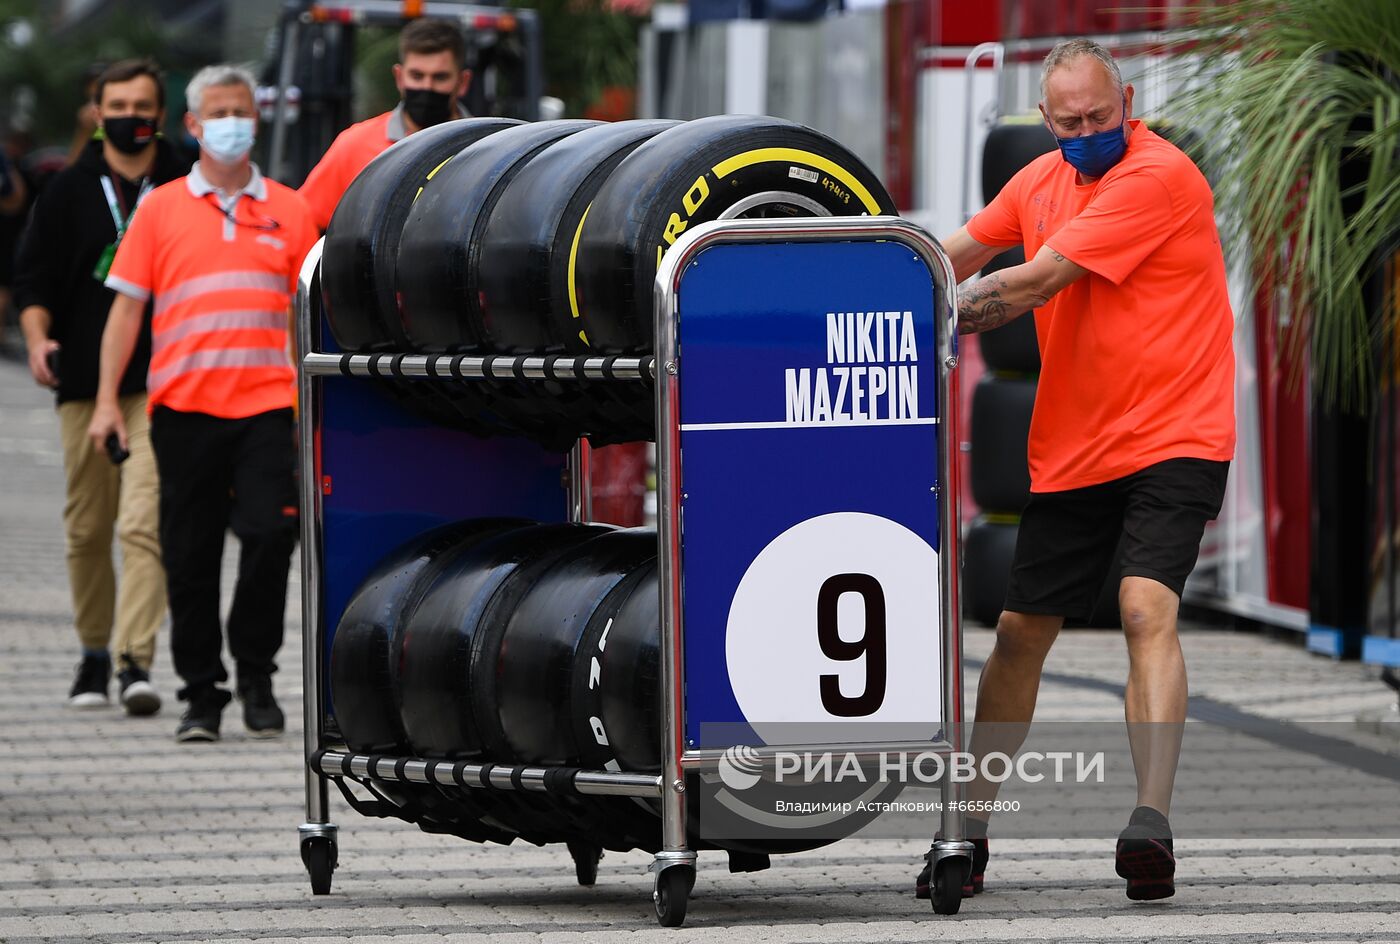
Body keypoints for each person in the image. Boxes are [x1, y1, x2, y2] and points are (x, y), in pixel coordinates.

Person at [917, 38, 1235, 901]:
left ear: (1125, 101)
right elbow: (957, 254)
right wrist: (867, 283)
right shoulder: (1039, 180)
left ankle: (1150, 826)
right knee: (1020, 632)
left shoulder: (1156, 178)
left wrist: (930, 315)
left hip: (1176, 432)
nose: (1089, 130)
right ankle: (969, 834)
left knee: (1143, 608)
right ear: (1047, 122)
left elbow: (1035, 280)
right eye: (1070, 121)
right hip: (1077, 445)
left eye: (1101, 115)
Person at [87, 64, 318, 743]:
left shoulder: (291, 207)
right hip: (184, 411)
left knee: (272, 537)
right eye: (218, 112)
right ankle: (200, 694)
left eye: (241, 110)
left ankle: (254, 671)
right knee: (187, 557)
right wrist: (106, 403)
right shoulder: (159, 208)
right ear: (192, 125)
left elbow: (310, 314)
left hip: (269, 408)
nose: (231, 123)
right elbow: (126, 314)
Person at [14, 58, 190, 715]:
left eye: (143, 107)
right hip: (86, 384)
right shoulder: (67, 189)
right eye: (117, 105)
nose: (130, 118)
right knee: (89, 529)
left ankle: (132, 661)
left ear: (161, 115)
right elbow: (31, 281)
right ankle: (92, 652)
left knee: (144, 524)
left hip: (165, 383)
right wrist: (38, 341)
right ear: (96, 110)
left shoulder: (184, 181)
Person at [298, 17, 472, 230]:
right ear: (399, 77)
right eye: (417, 76)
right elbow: (302, 221)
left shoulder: (486, 148)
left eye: (440, 77)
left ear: (462, 82)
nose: (427, 87)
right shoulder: (355, 145)